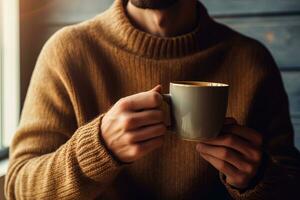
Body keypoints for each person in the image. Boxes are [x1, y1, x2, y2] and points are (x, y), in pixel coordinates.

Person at [5, 0, 300, 199]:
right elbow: (17, 187)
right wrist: (98, 148)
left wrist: (257, 178)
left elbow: (291, 187)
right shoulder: (67, 53)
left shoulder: (251, 61)